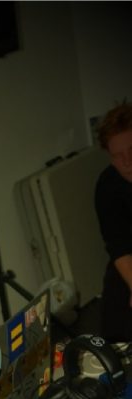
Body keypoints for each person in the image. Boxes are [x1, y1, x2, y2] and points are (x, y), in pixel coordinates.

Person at [95, 101, 132, 345]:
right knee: (115, 332)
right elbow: (118, 245)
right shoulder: (107, 186)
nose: (128, 162)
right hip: (129, 257)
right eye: (118, 157)